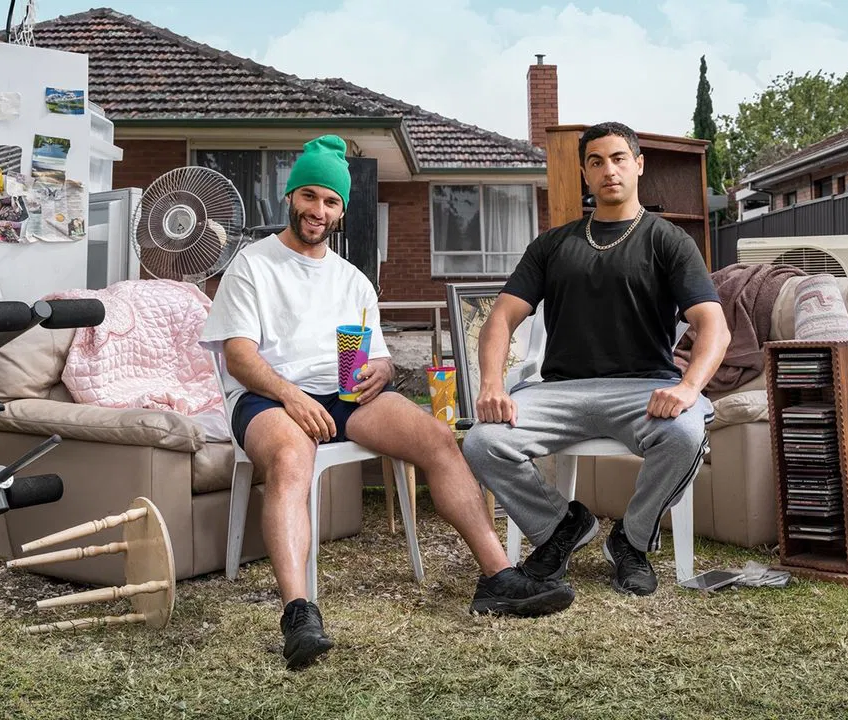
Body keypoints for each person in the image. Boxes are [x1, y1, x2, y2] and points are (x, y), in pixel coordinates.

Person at [201, 135, 575, 671]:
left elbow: (372, 355)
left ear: (342, 211)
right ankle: (298, 613)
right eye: (310, 196)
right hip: (268, 397)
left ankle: (497, 577)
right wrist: (291, 396)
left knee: (438, 438)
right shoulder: (252, 266)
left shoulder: (352, 280)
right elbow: (239, 357)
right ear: (290, 197)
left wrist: (381, 369)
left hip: (344, 393)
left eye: (331, 202)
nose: (318, 210)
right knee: (290, 457)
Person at [462, 122, 731, 598]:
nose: (609, 170)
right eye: (596, 161)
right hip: (559, 392)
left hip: (641, 391)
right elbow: (500, 318)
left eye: (619, 158)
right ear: (585, 173)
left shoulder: (668, 241)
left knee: (685, 434)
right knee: (482, 442)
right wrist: (491, 384)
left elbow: (713, 325)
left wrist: (688, 387)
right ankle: (561, 526)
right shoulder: (552, 245)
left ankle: (632, 540)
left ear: (638, 165)